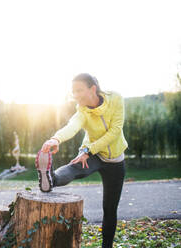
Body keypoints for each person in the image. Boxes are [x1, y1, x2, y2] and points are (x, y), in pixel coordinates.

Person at [37, 73, 127, 248]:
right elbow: (72, 127)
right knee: (75, 167)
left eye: (79, 90)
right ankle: (50, 178)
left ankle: (106, 246)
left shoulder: (115, 98)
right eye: (73, 92)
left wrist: (88, 149)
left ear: (92, 88)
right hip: (93, 154)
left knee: (110, 209)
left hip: (115, 161)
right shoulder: (82, 110)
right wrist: (55, 139)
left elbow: (115, 131)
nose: (75, 95)